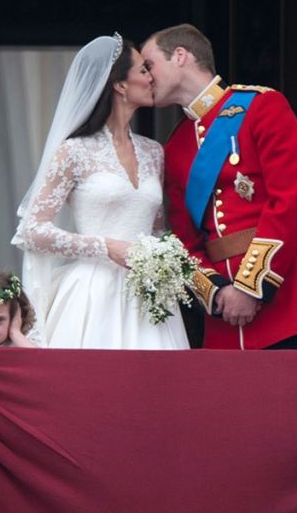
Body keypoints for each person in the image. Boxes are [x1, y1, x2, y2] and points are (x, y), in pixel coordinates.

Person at [140, 24, 297, 350]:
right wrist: (218, 292)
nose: (146, 77)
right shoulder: (175, 146)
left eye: (149, 65)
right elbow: (183, 240)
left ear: (180, 56)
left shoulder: (262, 107)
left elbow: (291, 201)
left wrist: (250, 287)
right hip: (223, 318)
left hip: (284, 300)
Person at [11, 33, 189, 349]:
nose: (151, 78)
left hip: (149, 297)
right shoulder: (73, 152)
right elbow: (32, 231)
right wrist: (105, 246)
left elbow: (157, 230)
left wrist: (166, 259)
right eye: (143, 70)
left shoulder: (153, 152)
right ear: (120, 85)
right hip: (92, 294)